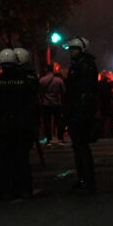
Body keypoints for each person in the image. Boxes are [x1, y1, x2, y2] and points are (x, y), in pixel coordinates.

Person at [0, 48, 38, 200]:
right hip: (21, 125)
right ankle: (24, 189)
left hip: (2, 126)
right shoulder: (26, 80)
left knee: (4, 160)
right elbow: (32, 104)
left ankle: (5, 190)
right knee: (22, 159)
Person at [64, 37, 98, 193]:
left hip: (81, 111)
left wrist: (81, 111)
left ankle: (88, 180)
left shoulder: (84, 66)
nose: (71, 51)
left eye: (74, 48)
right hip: (77, 110)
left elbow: (84, 91)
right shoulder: (81, 65)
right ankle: (83, 179)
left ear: (82, 49)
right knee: (78, 147)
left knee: (81, 146)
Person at [38, 64, 66, 144]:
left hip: (46, 103)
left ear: (46, 70)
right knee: (59, 122)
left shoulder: (42, 80)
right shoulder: (59, 80)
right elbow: (63, 92)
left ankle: (48, 138)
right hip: (56, 103)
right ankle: (60, 137)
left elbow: (39, 92)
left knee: (47, 122)